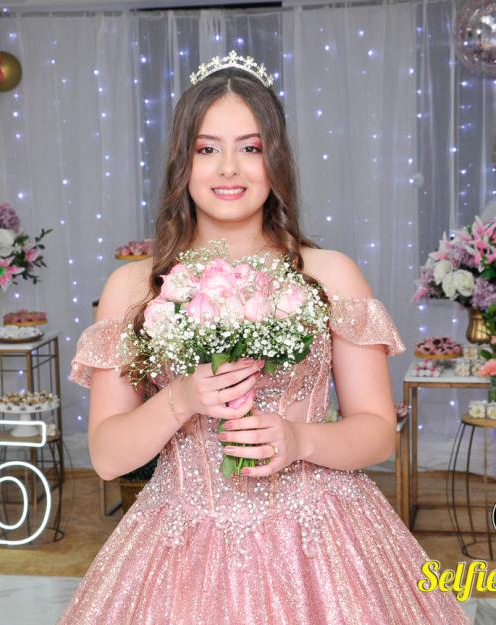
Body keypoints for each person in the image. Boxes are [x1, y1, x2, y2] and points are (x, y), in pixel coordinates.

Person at [58, 51, 470, 624]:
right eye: (207, 149)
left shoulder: (330, 274)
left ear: (275, 160)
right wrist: (182, 397)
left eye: (250, 148)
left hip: (321, 537)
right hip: (181, 546)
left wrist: (301, 440)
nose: (229, 169)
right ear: (182, 162)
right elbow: (106, 458)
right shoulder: (133, 285)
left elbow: (378, 434)